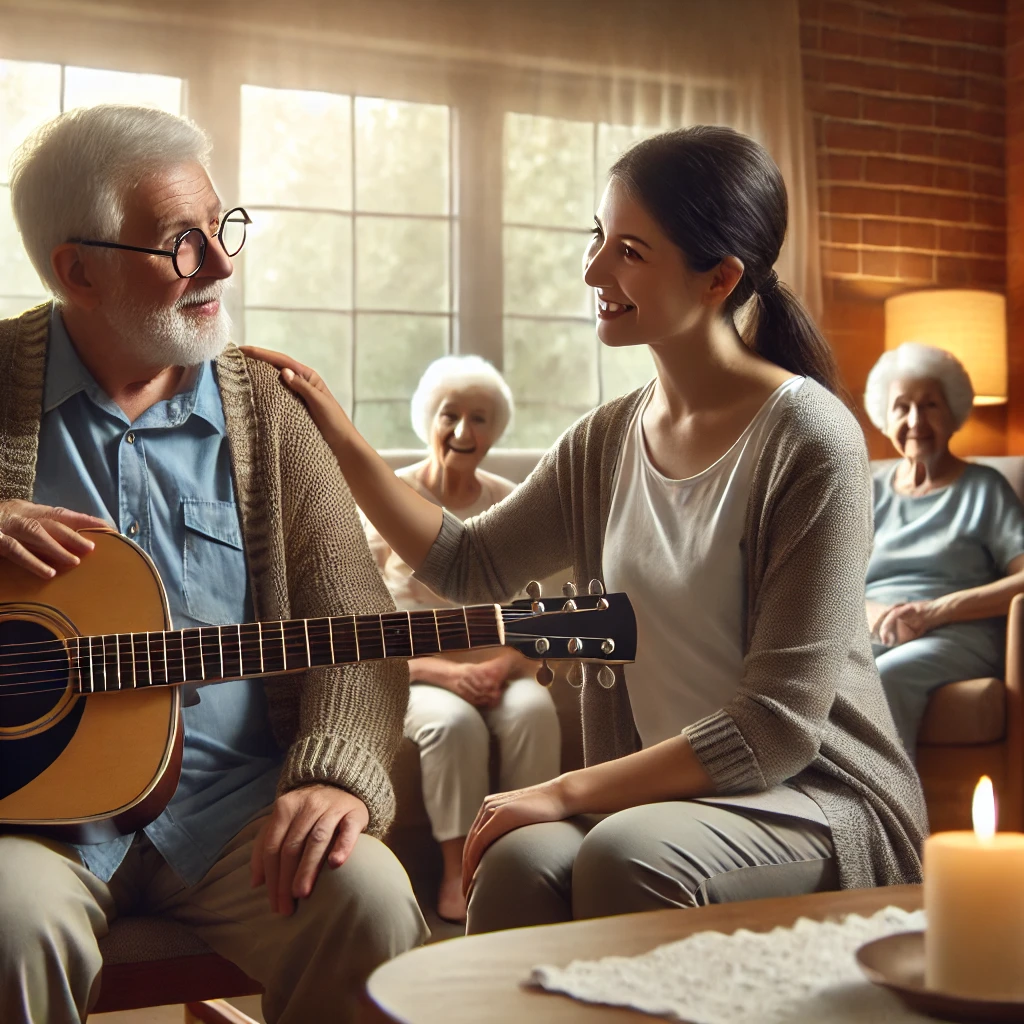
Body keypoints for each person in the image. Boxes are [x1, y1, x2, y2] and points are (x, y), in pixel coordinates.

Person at [243, 125, 928, 936]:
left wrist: (564, 791)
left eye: (630, 251)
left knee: (622, 853)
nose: (593, 270)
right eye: (598, 238)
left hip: (814, 793)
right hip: (675, 798)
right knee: (518, 859)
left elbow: (777, 725)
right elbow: (469, 561)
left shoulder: (811, 438)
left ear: (720, 279)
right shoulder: (607, 439)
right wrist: (341, 436)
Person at [0, 105, 426, 1024]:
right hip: (32, 822)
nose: (222, 266)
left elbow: (357, 619)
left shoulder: (270, 411)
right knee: (7, 929)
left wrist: (337, 769)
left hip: (239, 811)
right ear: (77, 268)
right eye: (182, 245)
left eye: (220, 229)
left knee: (375, 903)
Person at [365, 355, 561, 923]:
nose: (462, 432)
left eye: (479, 418)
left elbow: (541, 614)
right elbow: (359, 622)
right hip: (416, 675)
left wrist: (501, 668)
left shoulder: (511, 501)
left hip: (502, 670)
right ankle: (459, 873)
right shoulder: (388, 499)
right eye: (449, 415)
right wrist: (447, 674)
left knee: (535, 713)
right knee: (453, 726)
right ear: (428, 418)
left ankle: (526, 863)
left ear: (494, 430)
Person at [863, 342, 1024, 754]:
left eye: (930, 405)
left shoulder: (985, 488)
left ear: (953, 412)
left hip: (958, 634)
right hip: (874, 627)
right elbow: (832, 580)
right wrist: (874, 613)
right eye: (902, 406)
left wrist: (936, 612)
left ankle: (887, 814)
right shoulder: (868, 490)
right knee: (810, 676)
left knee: (884, 676)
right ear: (886, 415)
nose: (916, 420)